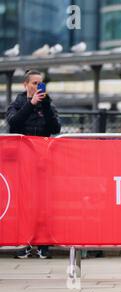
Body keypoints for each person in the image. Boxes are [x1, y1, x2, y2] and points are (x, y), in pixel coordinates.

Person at [7, 69, 61, 259]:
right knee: (24, 203)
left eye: (40, 83)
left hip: (43, 160)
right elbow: (13, 124)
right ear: (25, 85)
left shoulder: (48, 104)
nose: (37, 86)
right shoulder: (18, 104)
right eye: (34, 83)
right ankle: (25, 242)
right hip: (23, 161)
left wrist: (44, 106)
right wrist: (30, 104)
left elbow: (55, 128)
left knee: (43, 202)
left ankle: (43, 243)